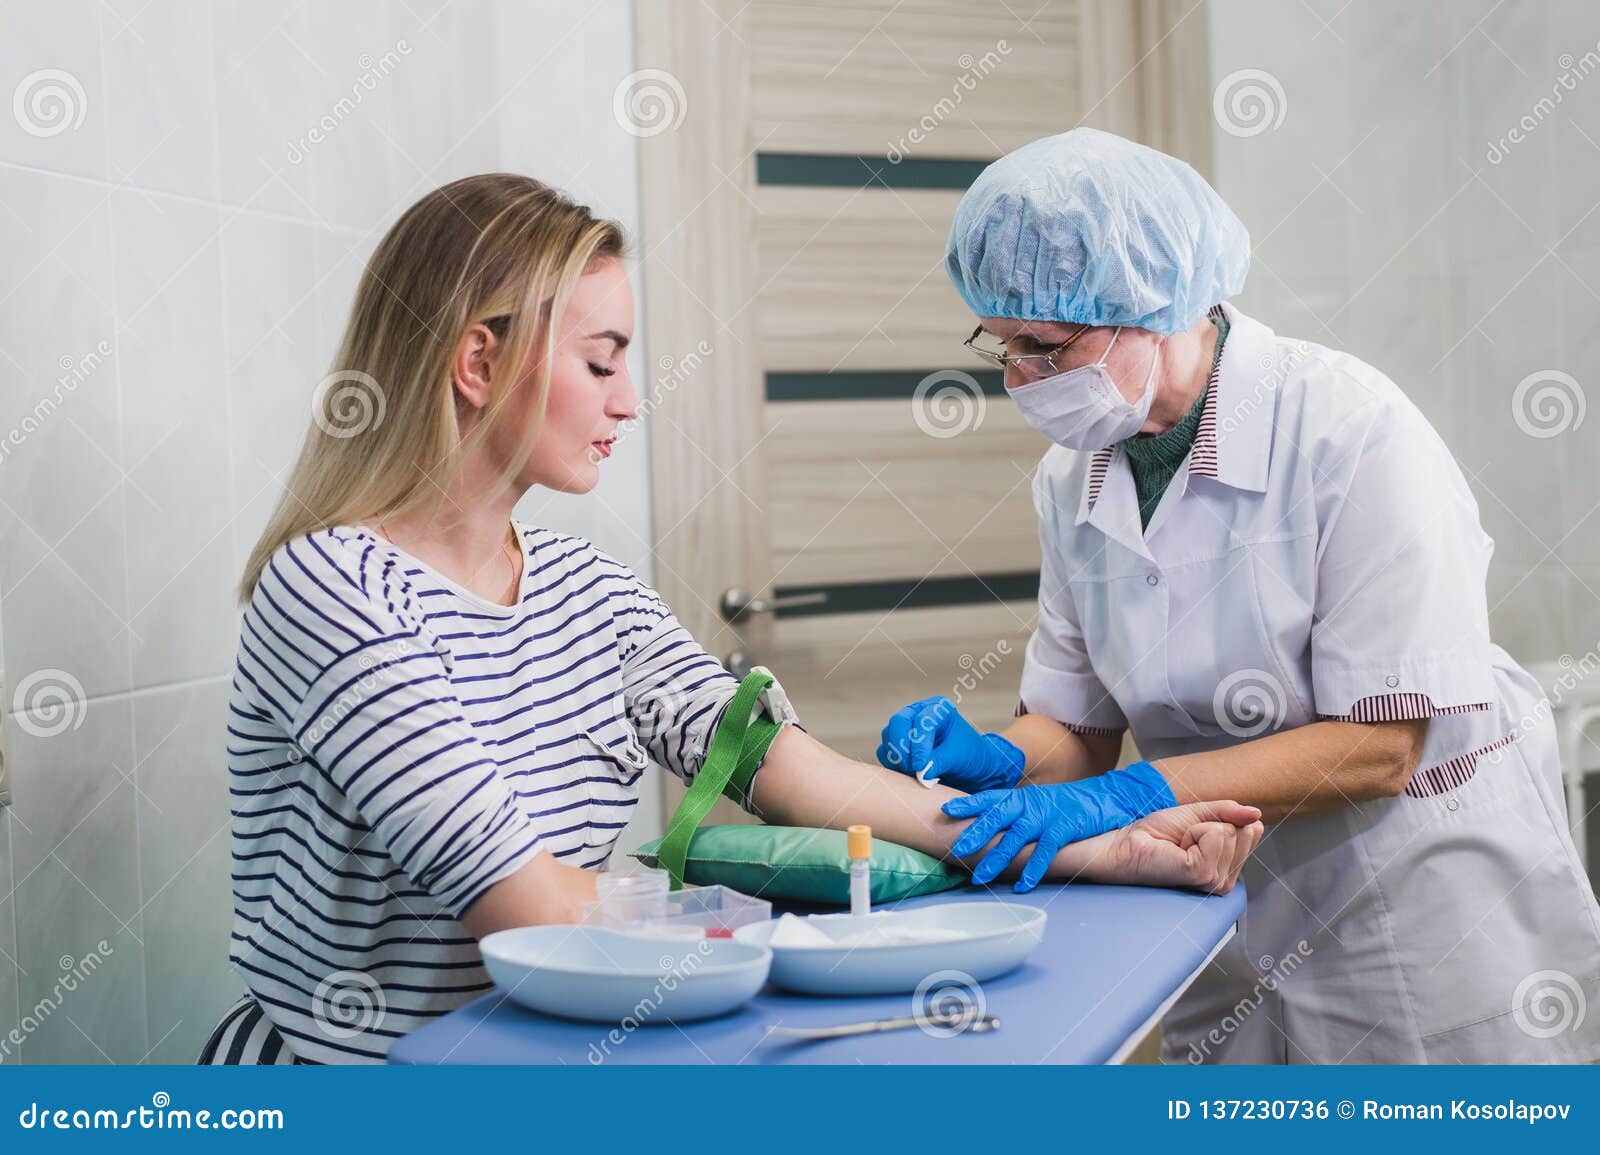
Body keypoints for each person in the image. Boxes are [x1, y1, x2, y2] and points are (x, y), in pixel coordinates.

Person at [200, 173, 1263, 1064]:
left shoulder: (583, 588)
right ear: (477, 362)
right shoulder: (337, 593)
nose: (624, 401)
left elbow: (806, 779)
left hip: (544, 1053)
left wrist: (1090, 845)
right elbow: (522, 905)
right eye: (601, 361)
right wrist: (778, 927)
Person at [875, 128, 1600, 1064]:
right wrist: (995, 755)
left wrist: (1135, 791)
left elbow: (1384, 741)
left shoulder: (1348, 430)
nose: (1019, 378)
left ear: (1155, 306)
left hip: (1412, 911)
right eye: (1001, 343)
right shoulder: (1075, 477)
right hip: (1224, 914)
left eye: (1045, 345)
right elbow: (1077, 727)